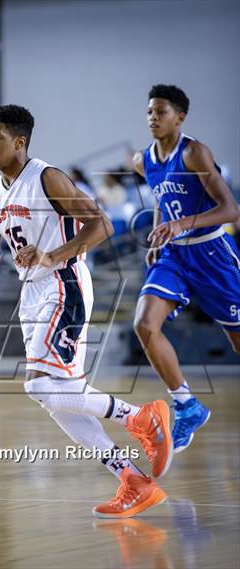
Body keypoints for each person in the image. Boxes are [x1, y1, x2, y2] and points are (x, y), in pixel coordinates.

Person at [0, 104, 173, 518]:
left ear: (19, 142)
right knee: (58, 398)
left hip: (65, 284)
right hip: (32, 294)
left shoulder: (47, 177)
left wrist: (52, 255)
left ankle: (142, 417)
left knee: (38, 386)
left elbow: (103, 225)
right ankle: (132, 479)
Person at [132, 84, 240, 454]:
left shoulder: (194, 152)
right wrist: (163, 231)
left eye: (161, 112)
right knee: (145, 325)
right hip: (174, 256)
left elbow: (230, 211)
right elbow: (163, 199)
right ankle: (186, 405)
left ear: (180, 117)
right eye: (149, 112)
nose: (153, 118)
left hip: (212, 254)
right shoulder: (143, 160)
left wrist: (181, 224)